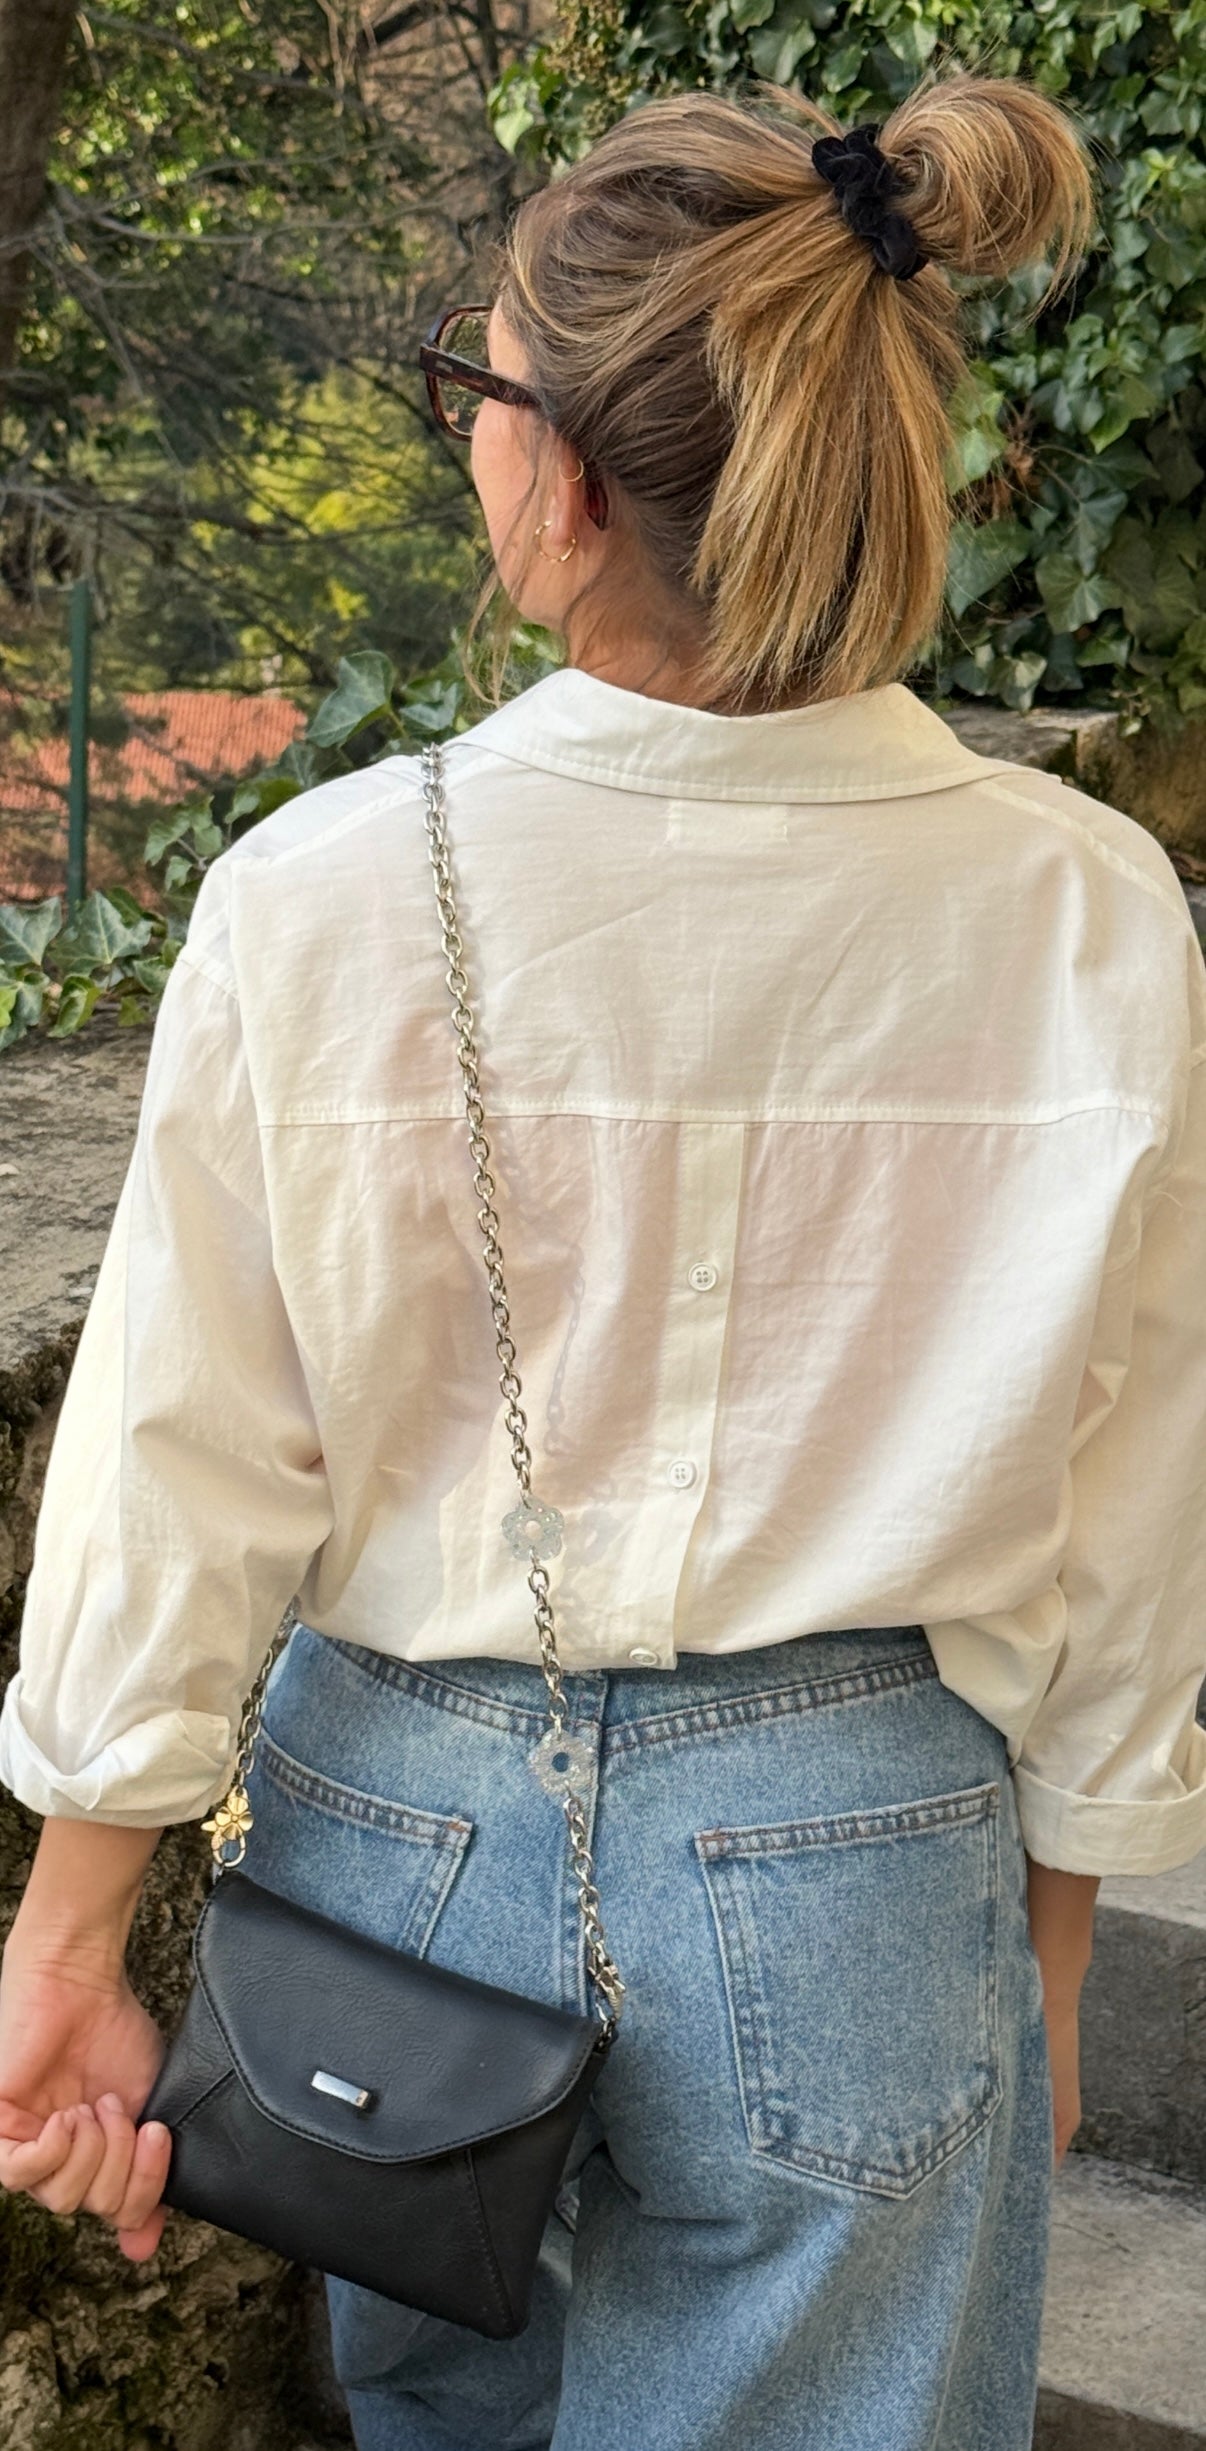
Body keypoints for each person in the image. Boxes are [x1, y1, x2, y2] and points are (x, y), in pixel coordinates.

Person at [1, 63, 1204, 2451]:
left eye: (469, 389)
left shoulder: (316, 893)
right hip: (862, 1842)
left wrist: (66, 1927)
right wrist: (1054, 1929)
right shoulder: (1083, 909)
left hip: (396, 1835)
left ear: (557, 477)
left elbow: (182, 1452)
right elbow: (1134, 1472)